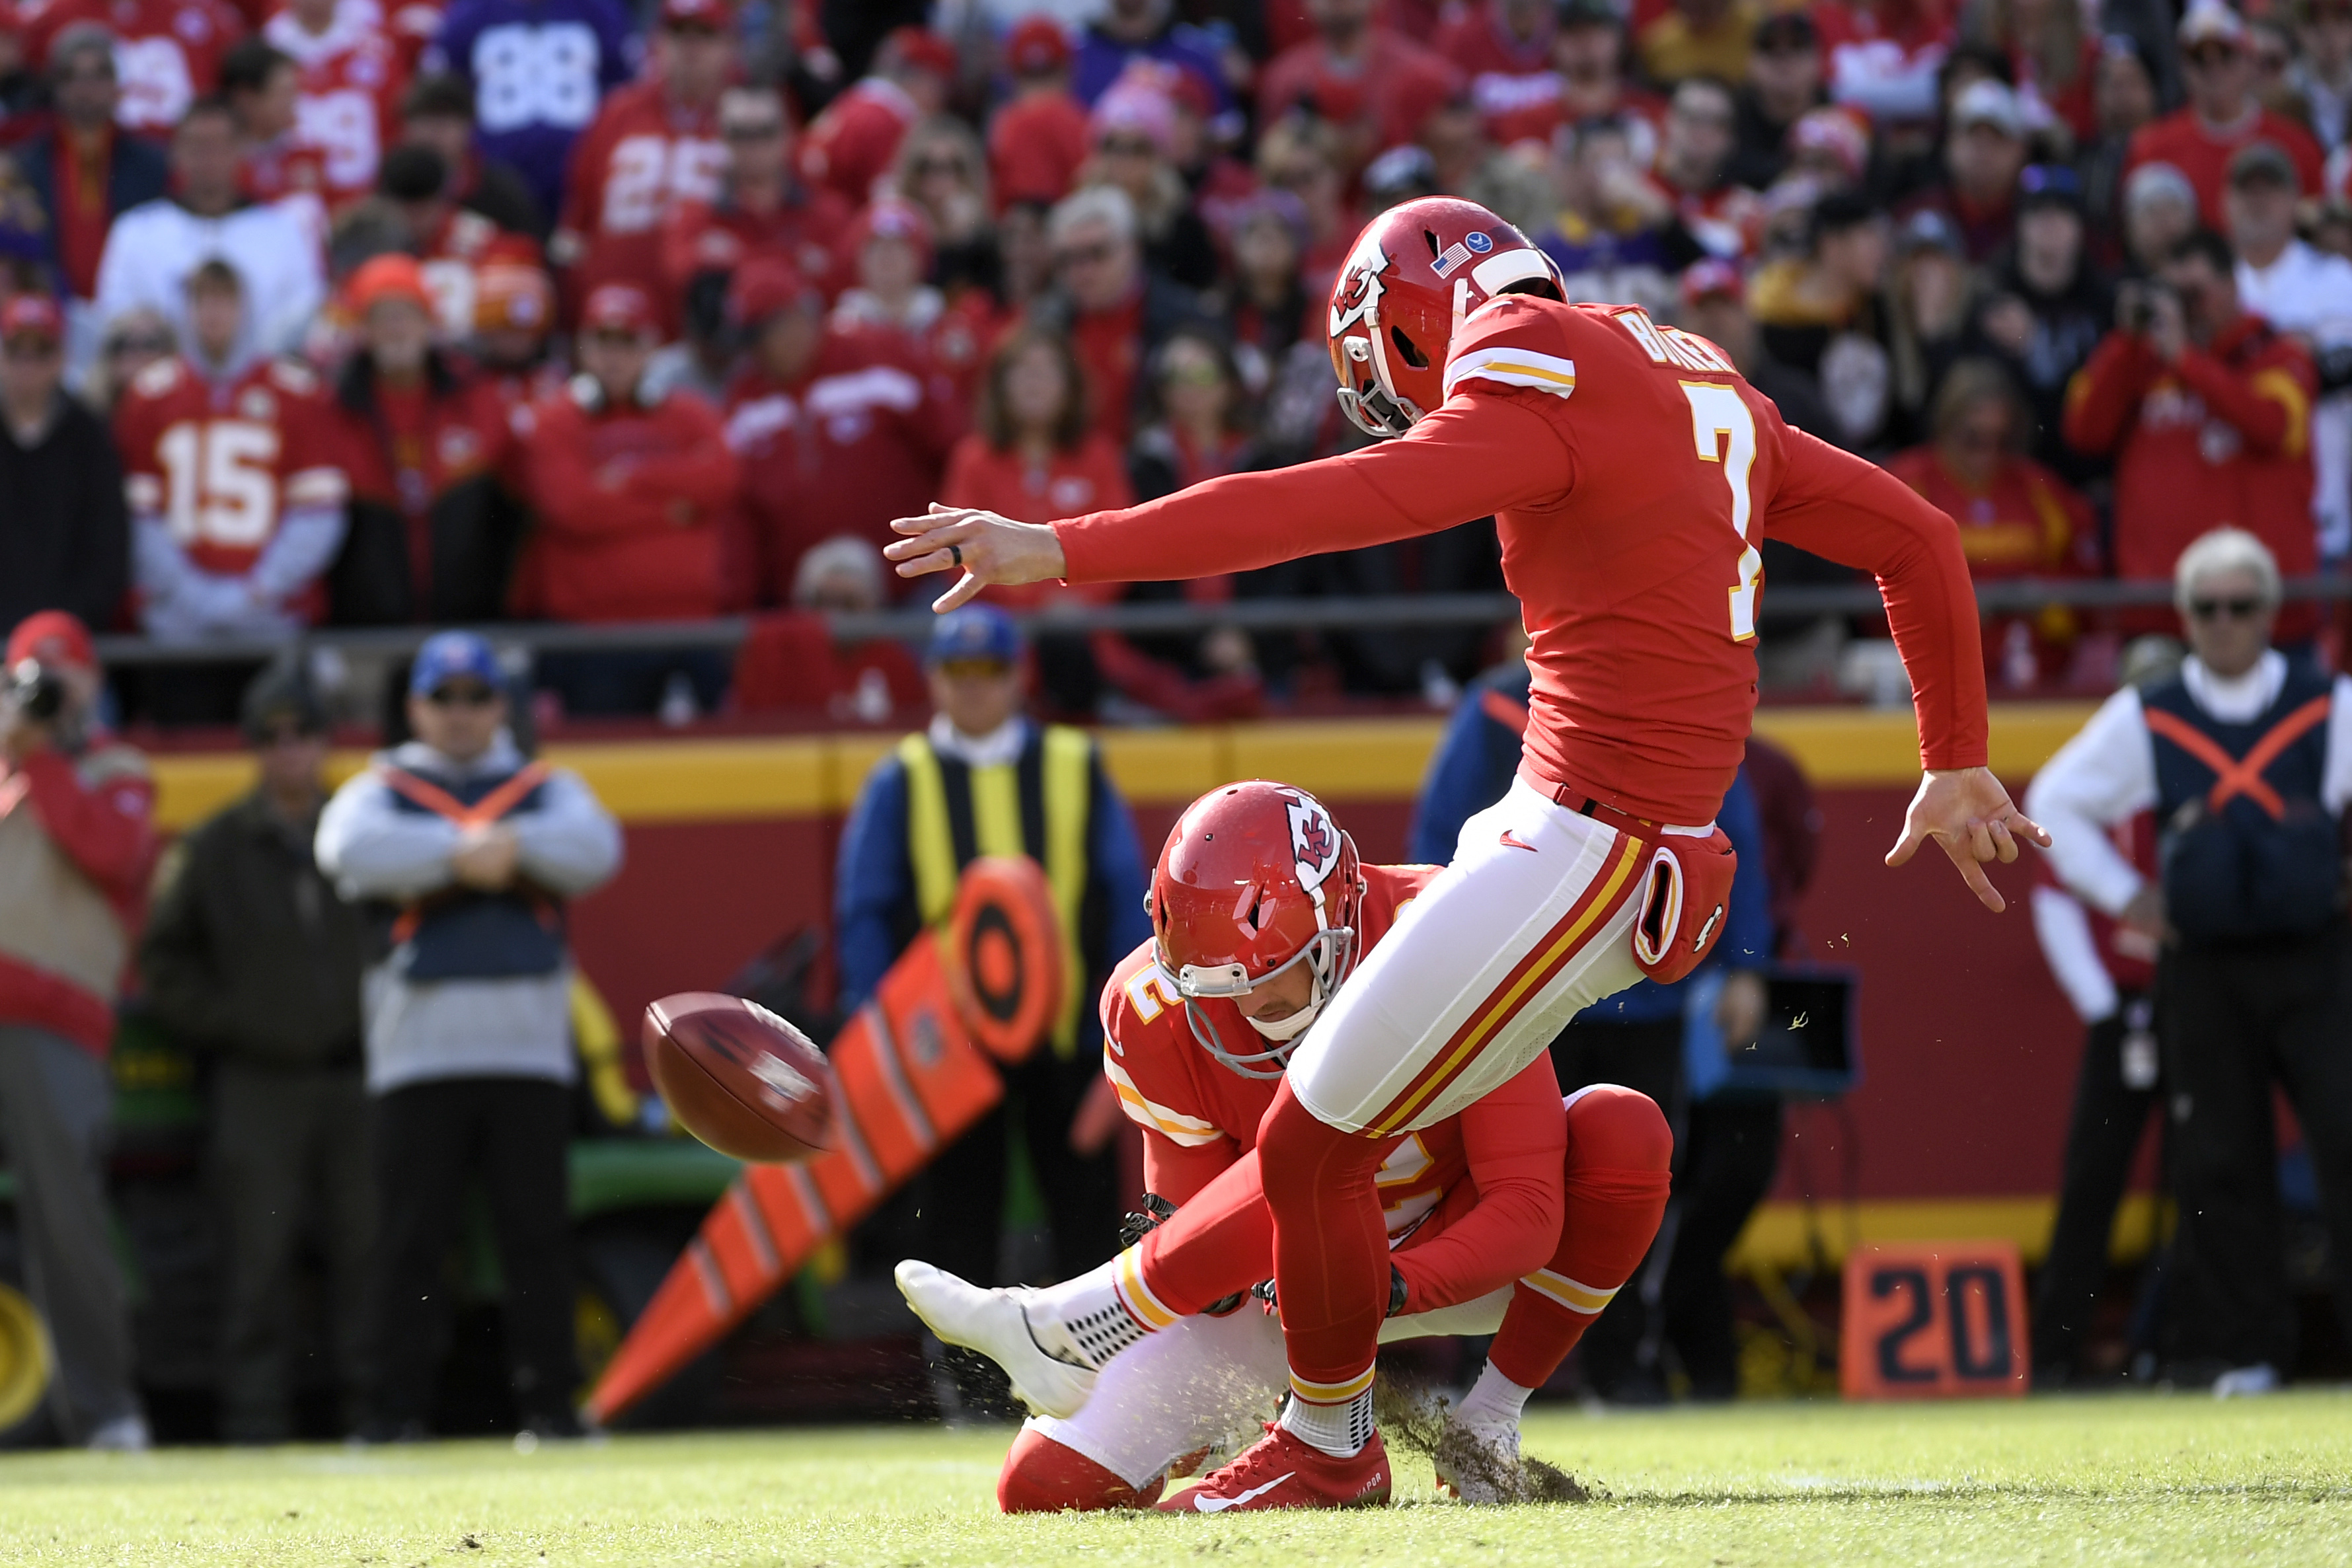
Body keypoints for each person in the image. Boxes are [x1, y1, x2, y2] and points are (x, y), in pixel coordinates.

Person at [886, 194, 2030, 1509]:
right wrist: (1949, 754)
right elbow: (1919, 539)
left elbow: (1333, 506)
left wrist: (1064, 548)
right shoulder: (1688, 365)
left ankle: (1289, 1427)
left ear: (1414, 319)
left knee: (1317, 1134)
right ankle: (1262, 1386)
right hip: (1610, 828)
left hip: (1594, 834)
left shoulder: (1529, 356)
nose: (1397, 399)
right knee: (1332, 1126)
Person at [903, 782, 1673, 1508]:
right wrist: (1223, 1285)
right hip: (1290, 1288)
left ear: (1339, 922)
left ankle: (1489, 1417)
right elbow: (1208, 1245)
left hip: (1453, 1251)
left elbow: (1528, 1212)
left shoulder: (1440, 934)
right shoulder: (1152, 1008)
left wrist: (1392, 1282)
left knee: (1621, 1131)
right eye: (1213, 984)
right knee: (1042, 1487)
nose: (1242, 1005)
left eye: (1270, 978)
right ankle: (1232, 1397)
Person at [2026, 528, 2352, 1394]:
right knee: (2217, 1159)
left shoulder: (2328, 703)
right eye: (2204, 609)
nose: (2223, 625)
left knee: (2343, 1140)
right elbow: (2052, 800)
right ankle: (2246, 1349)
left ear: (2269, 614)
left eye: (2240, 606)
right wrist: (2125, 897)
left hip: (2316, 960)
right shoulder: (2149, 713)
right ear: (2183, 617)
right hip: (2203, 966)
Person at [1406, 649, 1774, 1403]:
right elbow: (1437, 846)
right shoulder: (1495, 712)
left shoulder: (1672, 704)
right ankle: (1493, 1367)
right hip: (1525, 999)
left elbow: (1730, 838)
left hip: (1631, 997)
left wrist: (1744, 963)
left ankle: (1617, 1363)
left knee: (1631, 1190)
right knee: (1503, 1186)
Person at [833, 603, 1152, 1413]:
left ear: (1018, 678)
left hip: (1071, 1036)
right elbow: (865, 911)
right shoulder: (901, 777)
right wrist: (887, 1029)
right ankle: (965, 1389)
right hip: (951, 1047)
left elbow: (1123, 898)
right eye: (957, 673)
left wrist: (1126, 1028)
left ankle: (1105, 1381)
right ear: (934, 678)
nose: (973, 690)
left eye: (988, 673)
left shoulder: (1075, 764)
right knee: (954, 1220)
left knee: (1084, 1216)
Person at [315, 630, 622, 1440]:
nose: (459, 714)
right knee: (410, 1244)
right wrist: (463, 855)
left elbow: (596, 848)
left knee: (536, 1242)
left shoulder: (543, 786)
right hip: (417, 1056)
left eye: (475, 697)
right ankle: (390, 1413)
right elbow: (346, 849)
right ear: (416, 705)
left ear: (499, 706)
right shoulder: (379, 786)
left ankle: (552, 1411)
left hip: (528, 1052)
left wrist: (504, 847)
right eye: (443, 698)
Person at [136, 662, 371, 1442]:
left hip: (356, 1075)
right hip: (256, 1082)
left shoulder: (363, 837)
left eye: (302, 732)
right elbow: (162, 962)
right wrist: (230, 1022)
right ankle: (255, 1425)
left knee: (368, 1254)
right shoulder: (213, 849)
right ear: (252, 747)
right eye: (271, 736)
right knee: (255, 1264)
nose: (289, 749)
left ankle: (377, 1417)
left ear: (323, 740)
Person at [0, 610, 156, 1450]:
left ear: (95, 681)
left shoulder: (117, 767)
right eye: (29, 673)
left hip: (54, 1015)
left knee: (66, 1217)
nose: (49, 688)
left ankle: (106, 1415)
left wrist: (40, 755)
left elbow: (112, 855)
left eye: (64, 672)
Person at [2019, 638, 2172, 1387]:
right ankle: (2057, 1351)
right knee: (2093, 1177)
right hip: (2126, 1005)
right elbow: (2053, 895)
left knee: (2205, 1176)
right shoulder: (2098, 787)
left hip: (2194, 996)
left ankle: (2173, 1336)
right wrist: (2102, 1005)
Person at [2063, 229, 2321, 640]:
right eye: (2175, 295)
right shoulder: (2138, 363)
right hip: (2159, 611)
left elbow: (2270, 427)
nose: (2187, 309)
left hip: (2264, 614)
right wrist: (2126, 341)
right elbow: (2084, 433)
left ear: (2233, 285)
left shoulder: (2277, 355)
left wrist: (2185, 358)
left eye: (2196, 294)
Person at [517, 283, 739, 713]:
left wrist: (632, 477)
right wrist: (674, 507)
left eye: (628, 342)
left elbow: (722, 478)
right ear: (582, 348)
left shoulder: (690, 413)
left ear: (651, 348)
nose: (614, 356)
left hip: (692, 630)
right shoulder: (555, 421)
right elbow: (574, 507)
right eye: (603, 342)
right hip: (595, 639)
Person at [115, 259, 350, 649]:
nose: (213, 313)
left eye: (225, 300)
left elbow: (319, 514)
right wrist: (188, 593)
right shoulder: (149, 397)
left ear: (248, 307)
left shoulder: (297, 394)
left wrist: (259, 590)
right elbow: (138, 516)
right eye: (202, 300)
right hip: (176, 625)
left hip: (275, 619)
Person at [722, 257, 963, 606]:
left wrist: (954, 551)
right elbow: (741, 510)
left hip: (915, 586)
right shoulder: (746, 399)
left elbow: (949, 444)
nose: (757, 351)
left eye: (762, 335)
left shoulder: (878, 357)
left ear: (798, 318)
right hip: (805, 604)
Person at [324, 254, 519, 624]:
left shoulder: (478, 401)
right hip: (363, 629)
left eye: (408, 314)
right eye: (381, 316)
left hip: (469, 623)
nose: (397, 329)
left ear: (431, 323)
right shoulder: (334, 412)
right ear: (361, 329)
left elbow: (511, 508)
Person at [1886, 357, 2100, 689]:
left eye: (2000, 441)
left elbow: (2084, 579)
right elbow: (1871, 585)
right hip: (1934, 680)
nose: (1986, 454)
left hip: (2032, 680)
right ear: (1946, 426)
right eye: (1973, 439)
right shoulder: (1906, 486)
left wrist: (2041, 600)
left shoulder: (2039, 490)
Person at [93, 98, 326, 367]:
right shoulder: (136, 230)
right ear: (175, 151)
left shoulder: (283, 231)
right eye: (197, 146)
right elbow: (115, 319)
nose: (208, 158)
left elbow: (304, 320)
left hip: (259, 391)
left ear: (242, 149)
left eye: (220, 145)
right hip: (163, 391)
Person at [552, 0, 730, 326]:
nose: (690, 49)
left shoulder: (744, 122)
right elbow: (579, 217)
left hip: (705, 330)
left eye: (704, 35)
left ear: (729, 45)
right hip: (614, 325)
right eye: (678, 34)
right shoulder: (618, 115)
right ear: (657, 42)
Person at [2226, 140, 2352, 562]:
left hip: (2326, 489)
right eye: (2247, 190)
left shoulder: (2339, 280)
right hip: (2232, 491)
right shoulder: (2208, 288)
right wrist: (2295, 356)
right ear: (2226, 201)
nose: (2258, 202)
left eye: (2271, 189)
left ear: (2296, 200)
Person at [14, 25, 169, 361]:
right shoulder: (24, 166)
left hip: (133, 329)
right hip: (50, 327)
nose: (86, 88)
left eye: (99, 75)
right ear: (56, 87)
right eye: (73, 76)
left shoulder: (155, 165)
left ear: (118, 86)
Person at [420, 0, 635, 225]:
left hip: (581, 174)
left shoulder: (599, 9)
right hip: (494, 178)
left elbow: (625, 89)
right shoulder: (469, 13)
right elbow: (443, 92)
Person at [2126, 2, 2325, 228]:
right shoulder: (2152, 149)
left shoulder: (2297, 147)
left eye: (2226, 54)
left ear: (2249, 61)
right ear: (2183, 68)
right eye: (2199, 58)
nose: (2214, 69)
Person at [0, 293, 128, 637]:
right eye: (16, 351)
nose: (28, 365)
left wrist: (64, 629)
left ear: (62, 358)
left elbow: (108, 549)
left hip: (68, 645)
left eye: (41, 351)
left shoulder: (90, 439)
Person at [1976, 164, 2112, 484]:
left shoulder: (2104, 303)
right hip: (2009, 478)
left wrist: (2034, 348)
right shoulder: (1992, 298)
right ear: (2020, 225)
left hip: (2088, 474)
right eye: (2038, 212)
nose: (2049, 224)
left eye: (2062, 213)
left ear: (2080, 226)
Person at [20, 0, 245, 137]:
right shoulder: (49, 17)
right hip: (83, 167)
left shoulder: (206, 15)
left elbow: (243, 95)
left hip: (183, 173)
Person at [263, 0, 408, 205]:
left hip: (363, 202)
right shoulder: (265, 49)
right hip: (282, 204)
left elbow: (395, 126)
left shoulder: (376, 50)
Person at [796, 24, 954, 209]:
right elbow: (885, 202)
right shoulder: (890, 120)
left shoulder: (856, 99)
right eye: (940, 86)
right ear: (925, 80)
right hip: (830, 216)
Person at [989, 13, 1090, 209]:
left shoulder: (1011, 122)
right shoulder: (1084, 120)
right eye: (1031, 78)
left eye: (1047, 76)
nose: (1039, 94)